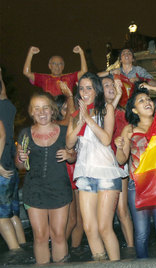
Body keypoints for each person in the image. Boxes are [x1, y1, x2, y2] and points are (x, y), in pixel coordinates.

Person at [66, 72, 127, 261]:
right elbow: (68, 144)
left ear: (96, 90)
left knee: (104, 227)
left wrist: (89, 119)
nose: (84, 92)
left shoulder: (106, 108)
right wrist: (80, 121)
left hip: (107, 173)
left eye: (89, 88)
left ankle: (116, 264)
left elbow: (107, 139)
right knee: (89, 227)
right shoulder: (75, 115)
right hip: (85, 174)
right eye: (81, 88)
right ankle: (101, 262)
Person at [115, 86, 156, 258]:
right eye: (141, 101)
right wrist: (119, 147)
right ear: (134, 110)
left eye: (148, 99)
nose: (147, 102)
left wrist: (150, 87)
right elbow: (121, 160)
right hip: (137, 186)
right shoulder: (130, 129)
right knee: (141, 234)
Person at [16, 92, 75, 264]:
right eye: (37, 108)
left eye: (46, 108)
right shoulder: (25, 133)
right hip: (34, 191)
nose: (42, 112)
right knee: (40, 236)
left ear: (52, 110)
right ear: (31, 112)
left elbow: (74, 156)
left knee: (58, 234)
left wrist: (69, 154)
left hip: (59, 189)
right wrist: (20, 158)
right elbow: (19, 165)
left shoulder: (65, 131)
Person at [101, 76, 134, 249]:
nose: (111, 87)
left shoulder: (122, 112)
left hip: (119, 162)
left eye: (113, 84)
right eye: (106, 85)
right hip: (99, 165)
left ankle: (131, 248)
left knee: (122, 209)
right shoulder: (97, 112)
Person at [53, 87, 85, 252]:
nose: (69, 111)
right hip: (65, 173)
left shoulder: (74, 122)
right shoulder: (56, 125)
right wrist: (70, 96)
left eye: (69, 107)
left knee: (80, 221)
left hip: (77, 170)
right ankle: (57, 250)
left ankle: (73, 251)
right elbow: (68, 119)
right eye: (64, 108)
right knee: (72, 220)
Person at [0, 69, 26, 251]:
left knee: (1, 217)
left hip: (1, 167)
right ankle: (23, 248)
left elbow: (0, 135)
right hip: (10, 164)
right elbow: (3, 92)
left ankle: (16, 255)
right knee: (13, 213)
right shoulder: (6, 104)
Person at [23, 45, 87, 96]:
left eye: (60, 64)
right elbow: (26, 72)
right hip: (50, 109)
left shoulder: (69, 77)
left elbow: (84, 71)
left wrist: (81, 53)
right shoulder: (44, 78)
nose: (57, 66)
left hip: (66, 110)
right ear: (49, 66)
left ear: (63, 66)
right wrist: (30, 53)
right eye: (54, 64)